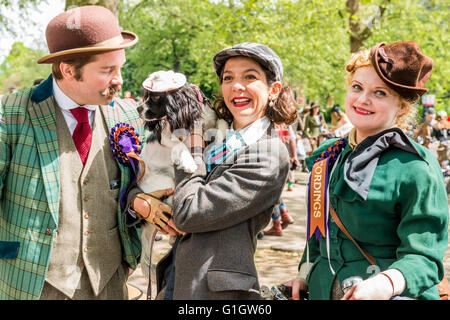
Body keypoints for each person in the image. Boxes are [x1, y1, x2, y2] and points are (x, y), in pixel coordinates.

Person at [0, 5, 163, 300]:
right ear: (67, 70)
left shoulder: (129, 114)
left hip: (111, 282)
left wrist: (143, 200)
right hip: (33, 284)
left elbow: (142, 181)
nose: (119, 80)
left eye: (120, 67)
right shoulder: (10, 115)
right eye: (107, 70)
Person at [284, 41, 448, 300]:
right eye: (357, 87)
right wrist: (306, 275)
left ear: (402, 107)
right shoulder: (327, 155)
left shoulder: (416, 166)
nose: (363, 99)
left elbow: (425, 258)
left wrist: (385, 284)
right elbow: (318, 232)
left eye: (380, 93)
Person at [144, 42, 297, 299]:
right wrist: (143, 201)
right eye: (228, 78)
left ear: (274, 90)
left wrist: (190, 146)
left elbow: (190, 212)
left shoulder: (268, 152)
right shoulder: (219, 138)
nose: (237, 86)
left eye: (250, 77)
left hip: (214, 292)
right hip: (177, 276)